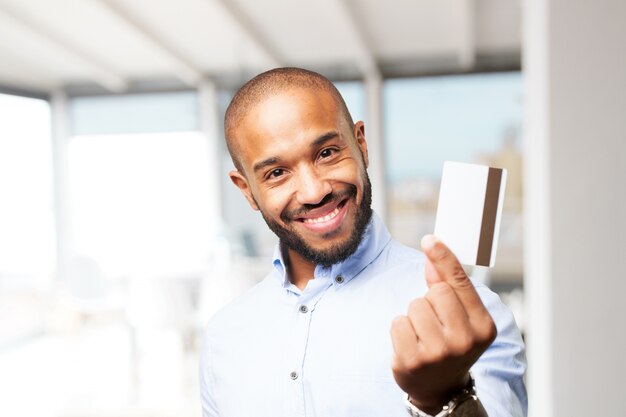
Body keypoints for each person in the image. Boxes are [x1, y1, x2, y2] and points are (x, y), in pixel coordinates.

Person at [199, 67, 527, 417]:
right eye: (276, 173)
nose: (314, 191)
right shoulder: (223, 338)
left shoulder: (470, 319)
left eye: (326, 153)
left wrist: (447, 397)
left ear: (361, 144)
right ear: (247, 189)